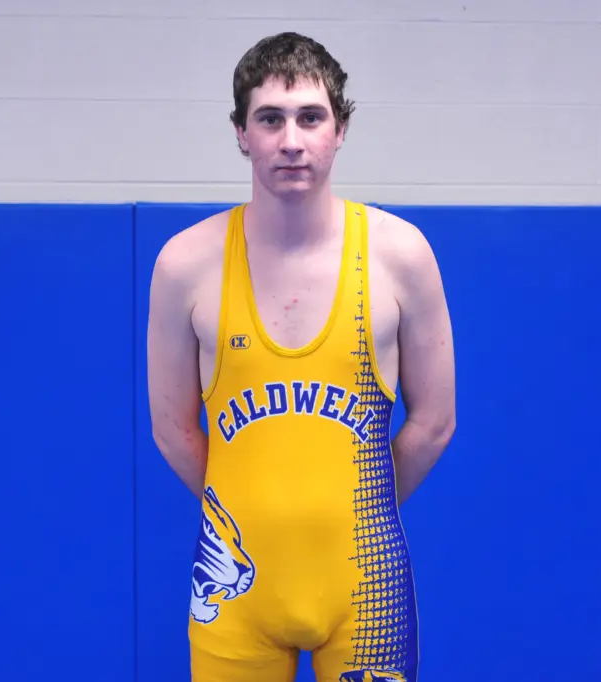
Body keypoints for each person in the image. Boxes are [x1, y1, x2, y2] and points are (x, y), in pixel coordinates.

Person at [146, 31, 456, 682]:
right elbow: (173, 430)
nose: (291, 140)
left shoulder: (400, 255)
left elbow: (434, 423)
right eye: (270, 119)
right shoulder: (185, 264)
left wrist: (362, 510)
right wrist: (250, 516)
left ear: (340, 130)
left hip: (366, 590)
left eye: (311, 117)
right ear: (241, 133)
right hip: (237, 597)